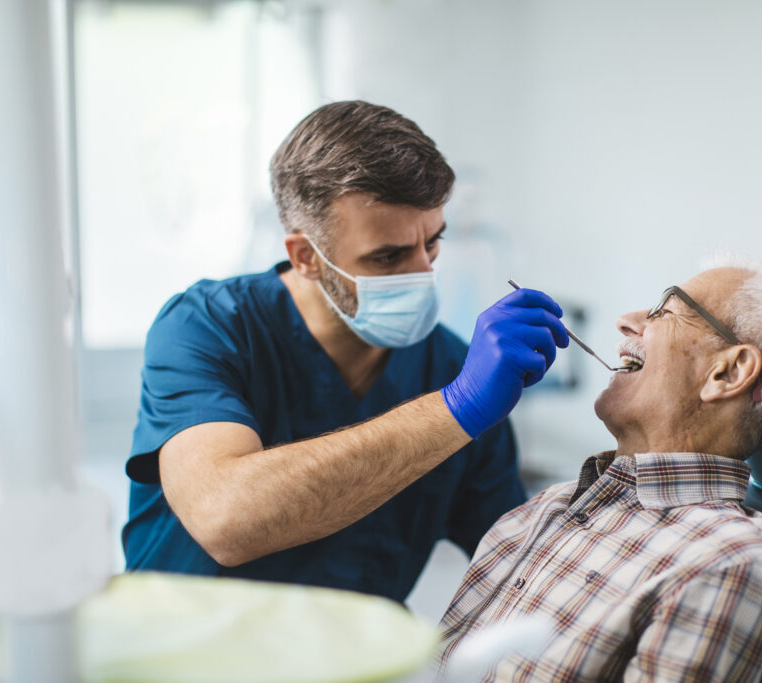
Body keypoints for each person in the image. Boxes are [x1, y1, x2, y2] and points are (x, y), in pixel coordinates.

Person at [121, 101, 568, 602]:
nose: (423, 272)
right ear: (306, 256)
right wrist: (455, 409)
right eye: (388, 256)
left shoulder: (448, 365)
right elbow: (225, 518)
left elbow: (519, 566)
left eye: (432, 244)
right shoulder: (207, 326)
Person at [436, 259, 762, 682]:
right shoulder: (550, 505)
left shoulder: (731, 568)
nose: (625, 322)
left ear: (728, 372)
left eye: (665, 312)